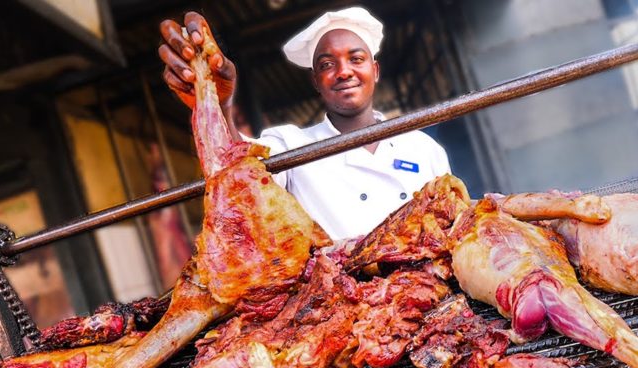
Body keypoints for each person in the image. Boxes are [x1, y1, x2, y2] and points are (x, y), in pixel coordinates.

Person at [159, 7, 452, 239]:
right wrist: (219, 103)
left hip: (427, 294)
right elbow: (240, 175)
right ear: (315, 80)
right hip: (346, 306)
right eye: (327, 64)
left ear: (374, 71)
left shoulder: (423, 148)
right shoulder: (291, 145)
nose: (343, 71)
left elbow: (453, 223)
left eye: (356, 59)